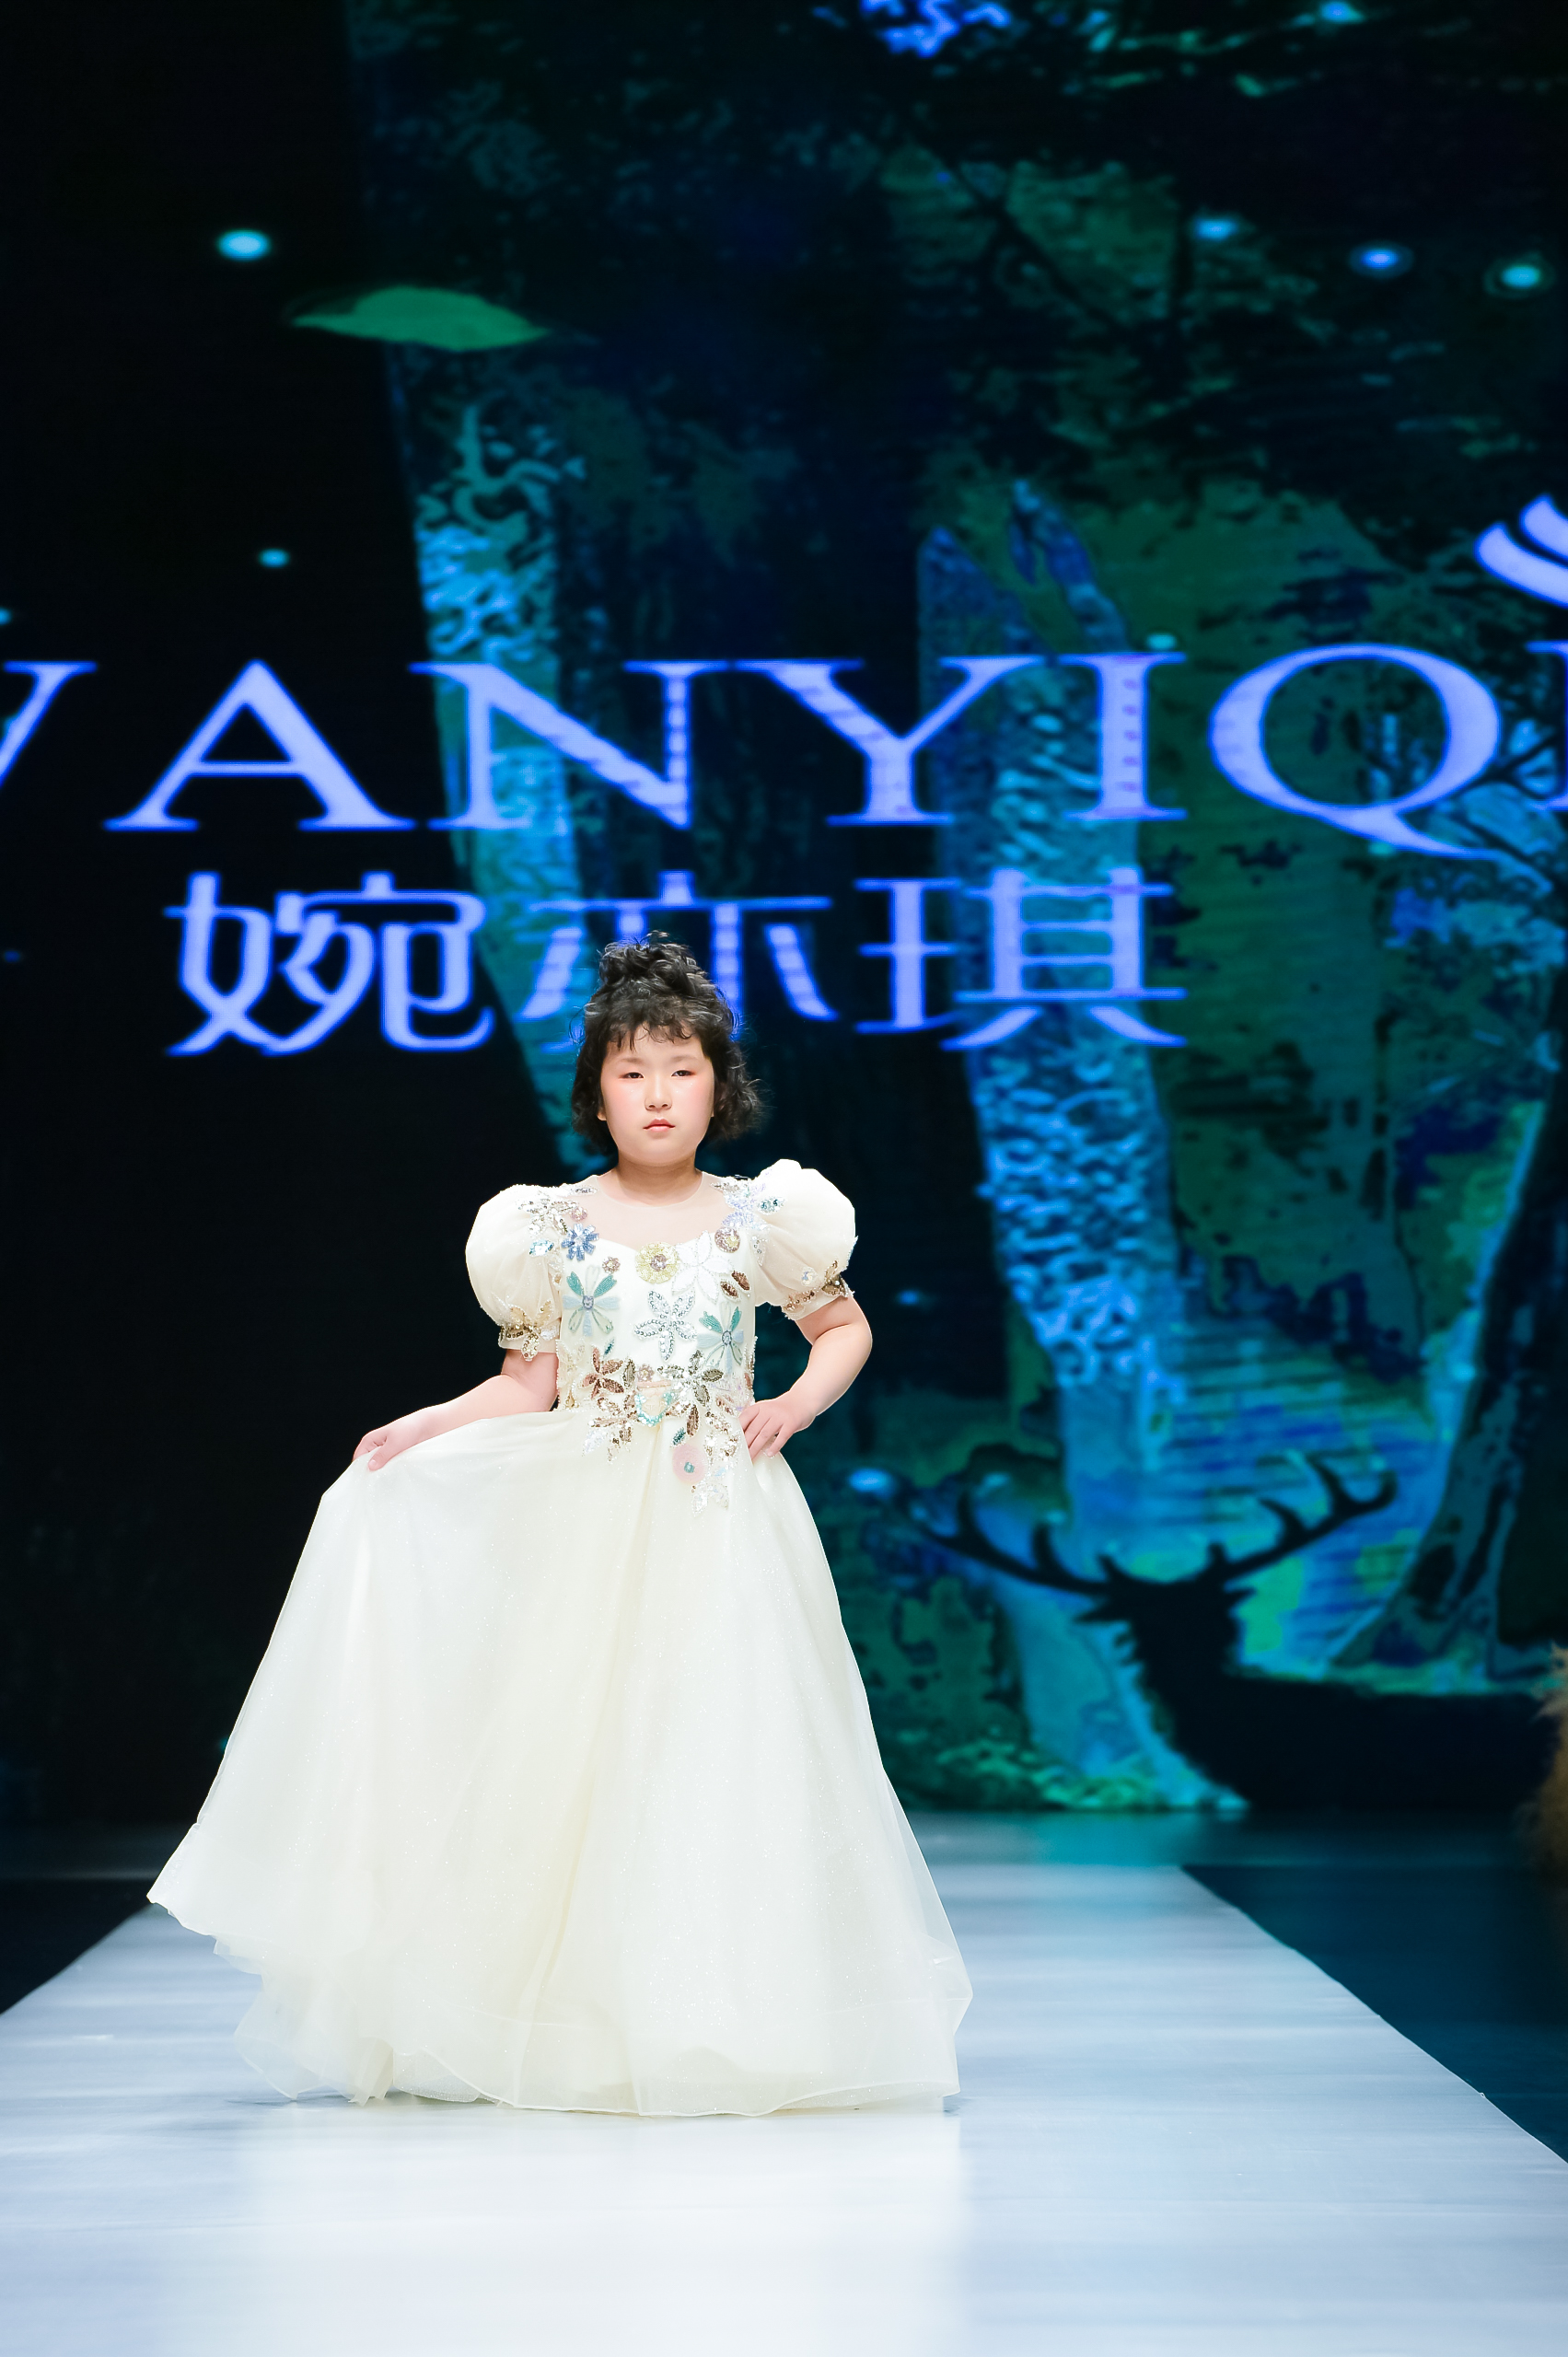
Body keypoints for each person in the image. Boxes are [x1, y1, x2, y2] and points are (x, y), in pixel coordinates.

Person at [151, 935, 970, 2116]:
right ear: (597, 1091)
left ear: (718, 1087)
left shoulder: (762, 1217)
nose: (657, 1094)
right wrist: (427, 1424)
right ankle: (571, 2018)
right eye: (632, 1072)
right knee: (571, 1755)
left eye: (681, 1070)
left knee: (716, 1748)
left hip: (718, 1521)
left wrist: (793, 1403)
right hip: (584, 1526)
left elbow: (841, 1327)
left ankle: (719, 2015)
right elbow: (529, 1380)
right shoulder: (546, 1224)